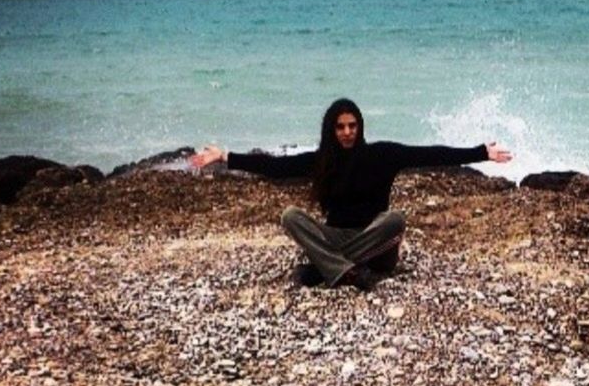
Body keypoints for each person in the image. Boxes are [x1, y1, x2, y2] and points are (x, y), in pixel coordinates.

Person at [190, 98, 512, 289]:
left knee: (395, 220)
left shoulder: (383, 155)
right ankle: (347, 271)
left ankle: (327, 269)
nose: (347, 132)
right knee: (291, 216)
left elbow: (430, 154)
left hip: (376, 244)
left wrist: (481, 152)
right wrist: (226, 157)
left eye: (352, 126)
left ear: (360, 127)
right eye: (341, 127)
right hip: (335, 237)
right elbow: (276, 167)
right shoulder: (320, 162)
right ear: (332, 130)